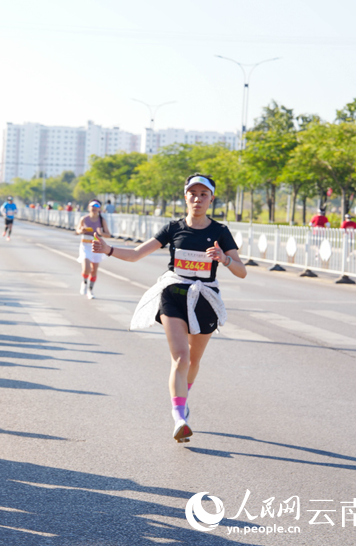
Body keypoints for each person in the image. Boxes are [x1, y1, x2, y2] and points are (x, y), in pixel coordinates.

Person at [91, 174, 247, 443]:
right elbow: (137, 254)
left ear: (211, 199)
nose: (197, 199)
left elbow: (242, 271)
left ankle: (183, 399)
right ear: (185, 196)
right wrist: (108, 249)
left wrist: (224, 259)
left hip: (204, 299)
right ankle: (179, 418)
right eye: (192, 193)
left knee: (194, 361)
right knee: (181, 358)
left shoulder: (220, 231)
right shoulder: (173, 228)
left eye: (203, 194)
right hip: (173, 294)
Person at [76, 200, 112, 299]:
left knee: (94, 270)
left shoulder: (101, 220)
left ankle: (90, 290)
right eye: (92, 206)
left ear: (99, 208)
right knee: (87, 268)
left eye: (96, 206)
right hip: (85, 246)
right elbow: (77, 230)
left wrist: (101, 233)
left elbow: (108, 234)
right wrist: (81, 230)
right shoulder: (84, 219)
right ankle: (84, 281)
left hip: (96, 246)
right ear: (89, 207)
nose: (94, 208)